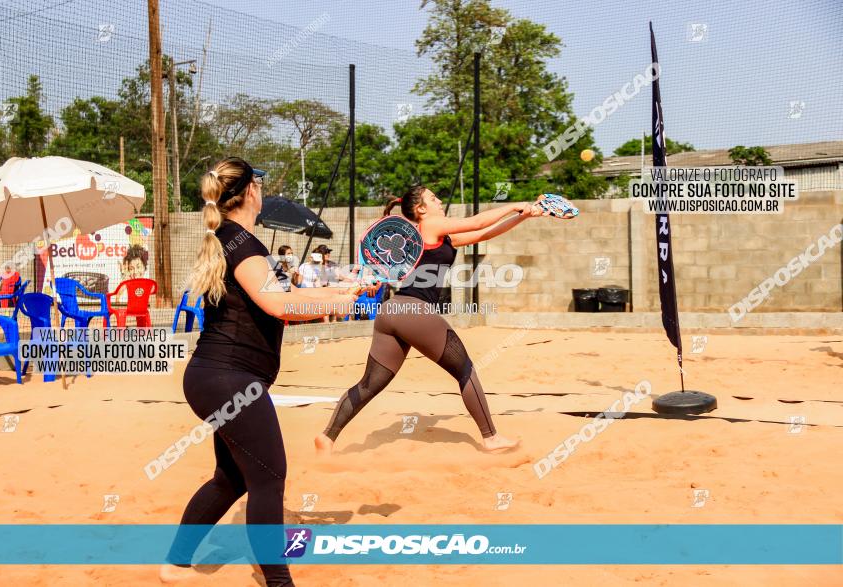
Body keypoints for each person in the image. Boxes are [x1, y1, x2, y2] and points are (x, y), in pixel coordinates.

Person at [159, 157, 358, 586]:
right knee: (269, 476)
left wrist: (340, 289)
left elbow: (274, 295)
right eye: (260, 185)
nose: (263, 191)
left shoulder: (231, 239)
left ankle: (175, 563)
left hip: (217, 378)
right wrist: (337, 304)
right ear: (250, 191)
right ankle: (278, 581)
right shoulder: (241, 244)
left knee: (232, 477)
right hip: (229, 379)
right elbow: (279, 306)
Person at [315, 185, 564, 454]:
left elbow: (484, 232)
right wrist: (515, 205)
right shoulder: (430, 224)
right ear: (420, 209)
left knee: (369, 384)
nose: (440, 200)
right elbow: (476, 221)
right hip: (414, 311)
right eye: (433, 198)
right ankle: (491, 437)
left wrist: (525, 215)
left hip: (392, 311)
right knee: (465, 369)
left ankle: (327, 438)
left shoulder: (438, 236)